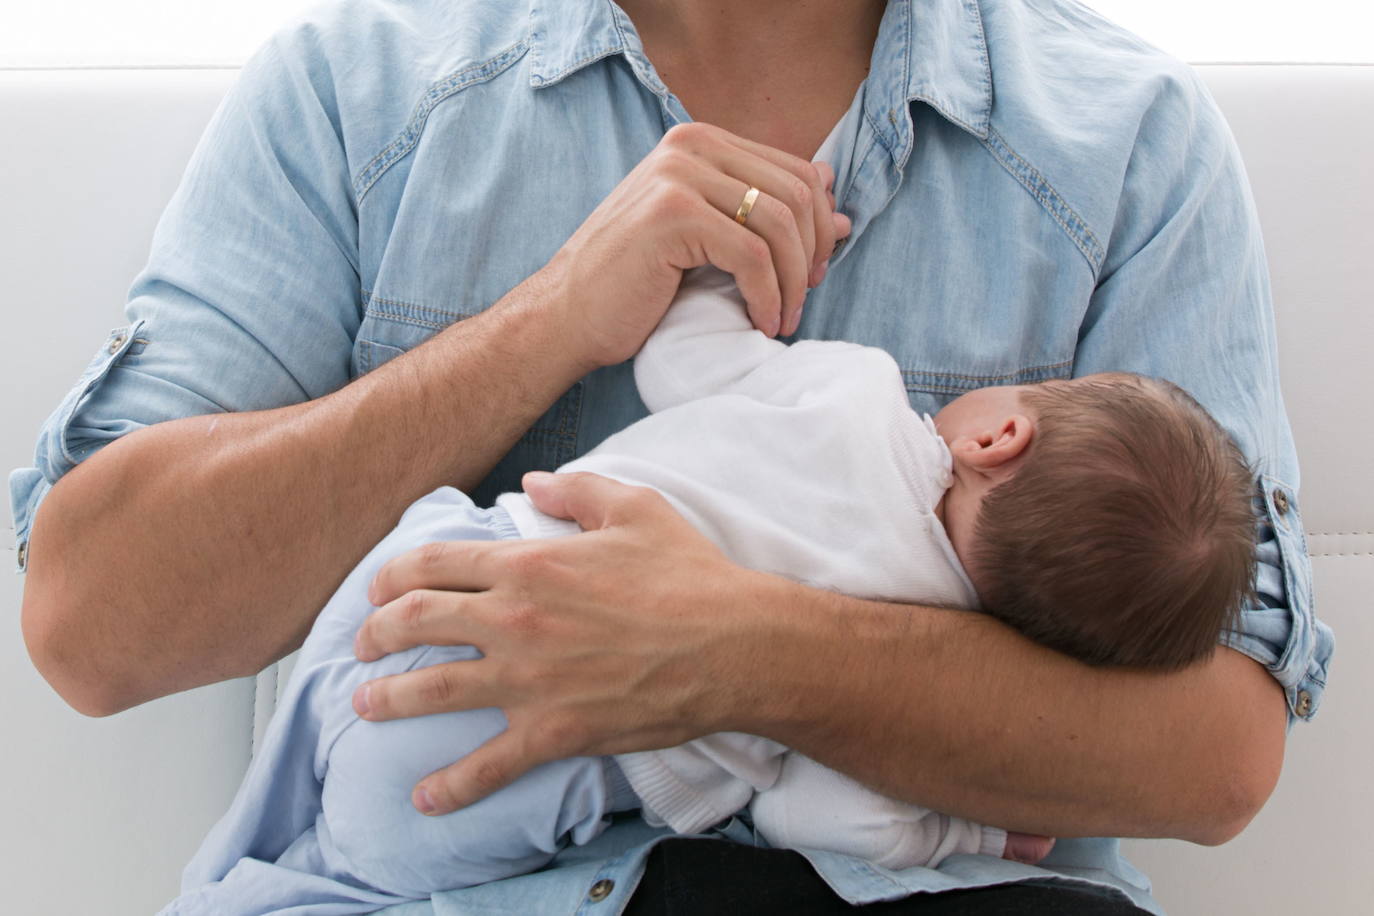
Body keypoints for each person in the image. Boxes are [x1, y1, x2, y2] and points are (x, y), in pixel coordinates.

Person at [13, 1, 1331, 913]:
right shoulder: (352, 95)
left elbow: (1212, 757)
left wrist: (740, 652)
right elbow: (97, 622)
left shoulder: (1129, 146)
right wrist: (542, 327)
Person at [164, 257, 1254, 913]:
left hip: (451, 565)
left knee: (282, 775)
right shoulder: (917, 662)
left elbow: (684, 362)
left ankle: (224, 861)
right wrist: (963, 833)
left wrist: (707, 277)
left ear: (1001, 428)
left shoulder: (855, 390)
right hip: (512, 768)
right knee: (338, 860)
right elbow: (804, 815)